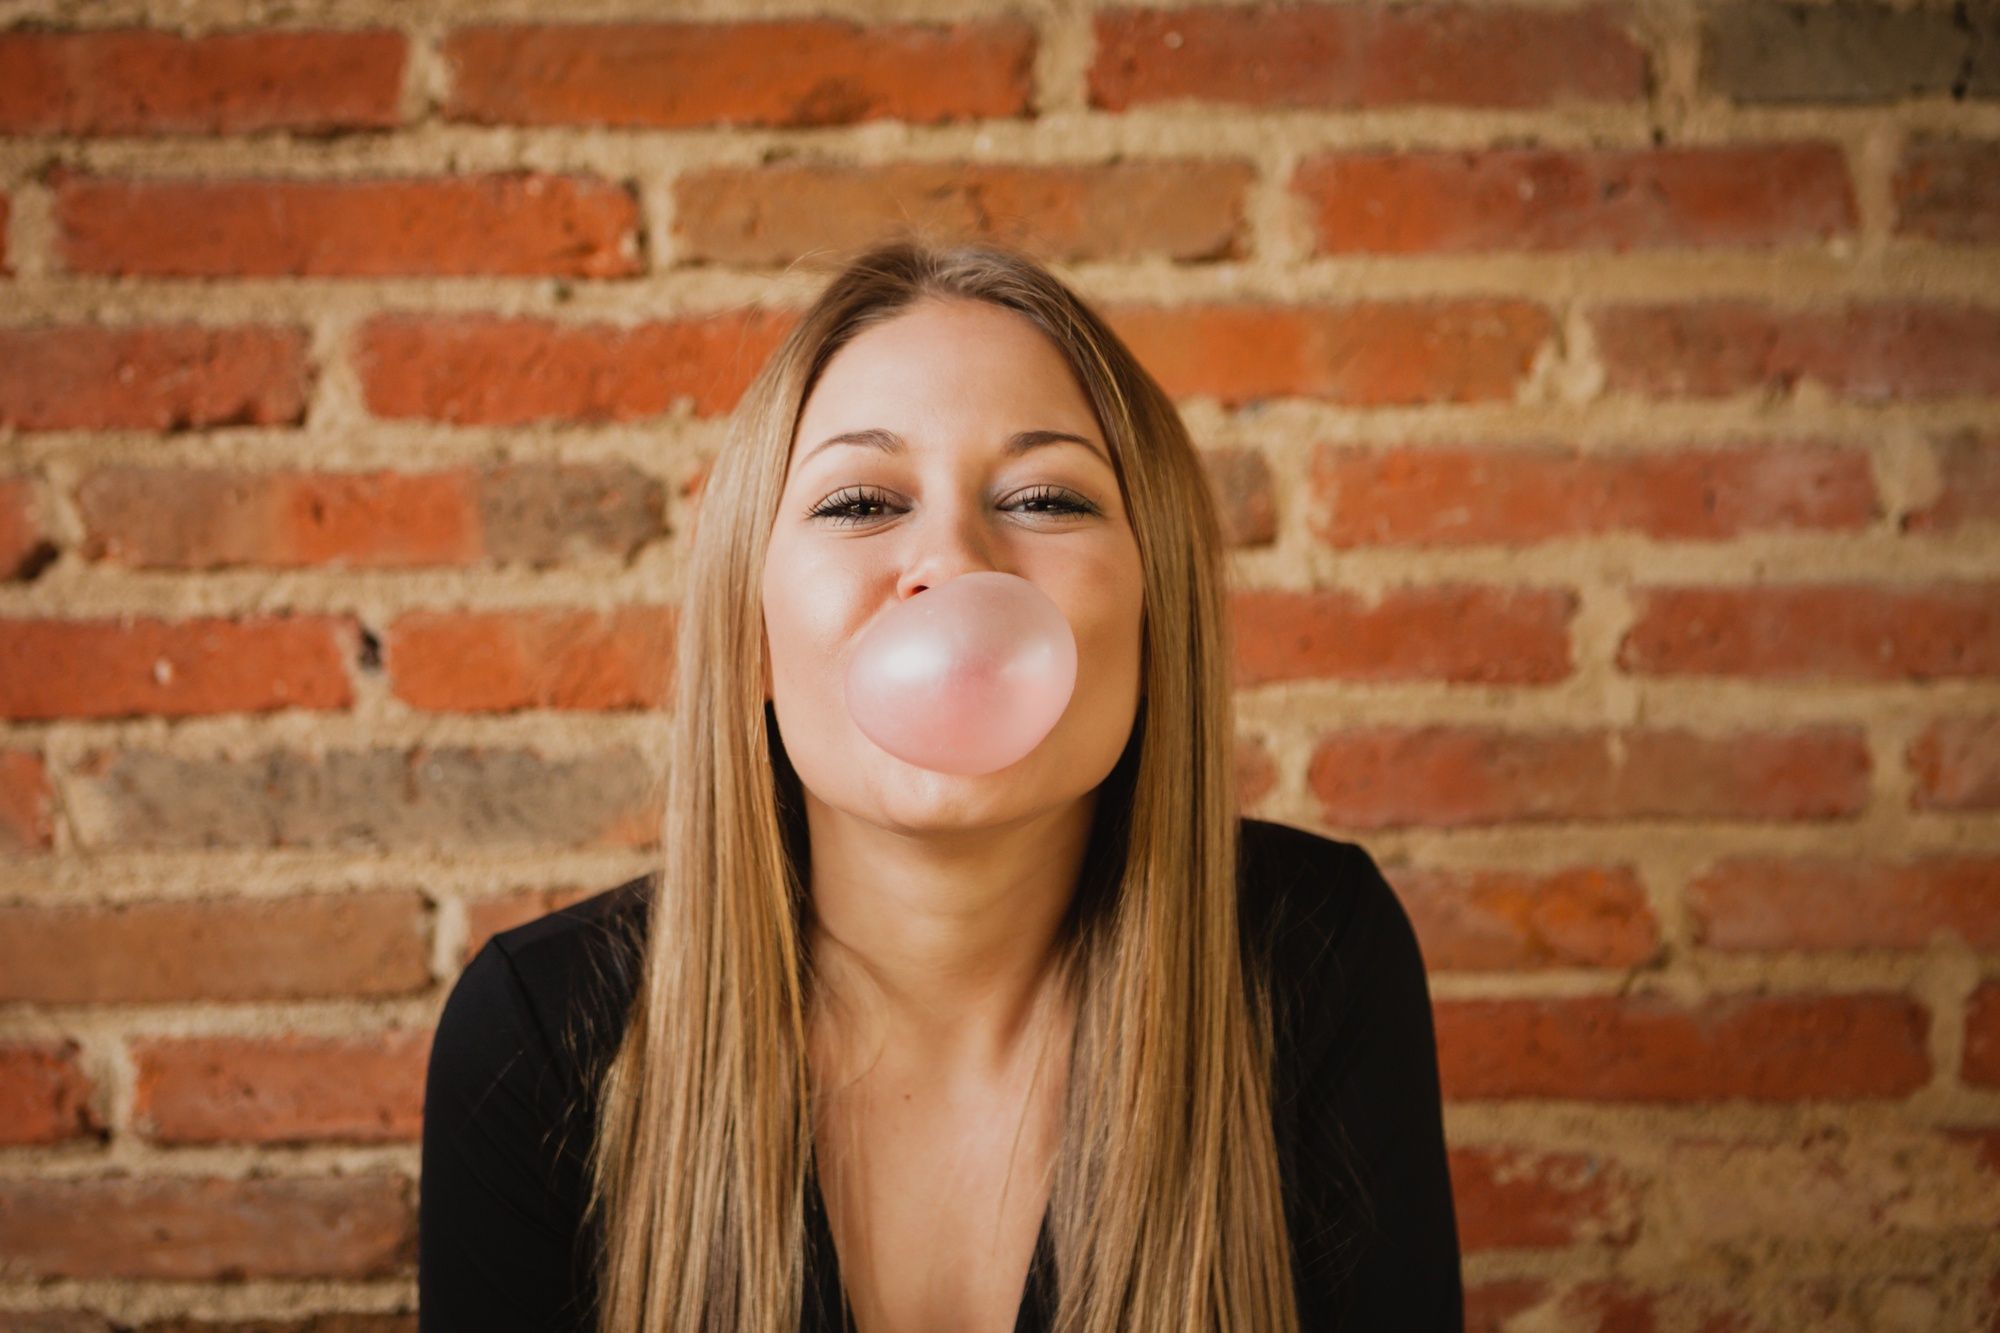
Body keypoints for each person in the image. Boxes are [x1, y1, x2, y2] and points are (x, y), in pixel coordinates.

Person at [418, 236, 1463, 1332]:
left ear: (1157, 626)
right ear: (753, 637)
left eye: (1047, 500)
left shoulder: (1312, 960)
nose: (955, 561)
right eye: (861, 502)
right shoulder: (542, 1040)